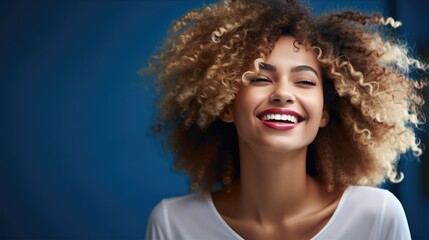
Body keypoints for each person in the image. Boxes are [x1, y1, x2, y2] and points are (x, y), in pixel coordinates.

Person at [144, 0, 427, 239]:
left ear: (325, 112)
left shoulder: (377, 218)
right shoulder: (172, 224)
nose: (282, 93)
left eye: (304, 81)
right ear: (225, 105)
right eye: (260, 78)